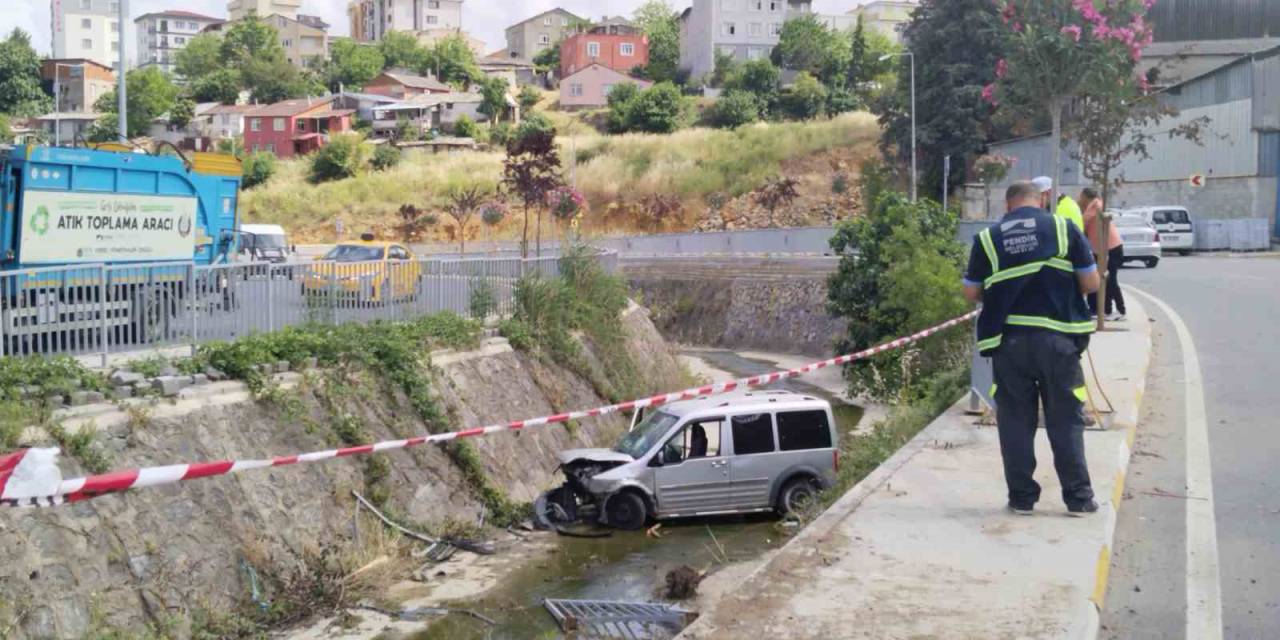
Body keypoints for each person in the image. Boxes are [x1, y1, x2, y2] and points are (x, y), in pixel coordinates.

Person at [963, 181, 1102, 517]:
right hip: (1059, 341)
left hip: (1010, 345)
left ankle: (1022, 499)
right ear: (1041, 201)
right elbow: (1092, 283)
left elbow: (971, 293)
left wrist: (1002, 294)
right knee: (1066, 419)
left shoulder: (988, 239)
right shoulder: (1064, 227)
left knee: (1015, 422)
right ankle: (1079, 499)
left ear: (1008, 207)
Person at [1080, 188, 1126, 321]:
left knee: (1110, 280)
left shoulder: (1095, 205)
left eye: (1080, 197)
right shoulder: (1094, 205)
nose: (1079, 200)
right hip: (1102, 249)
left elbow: (1083, 220)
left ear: (1086, 197)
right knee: (1102, 279)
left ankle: (1120, 310)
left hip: (1111, 248)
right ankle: (1104, 309)